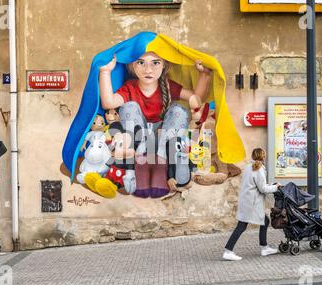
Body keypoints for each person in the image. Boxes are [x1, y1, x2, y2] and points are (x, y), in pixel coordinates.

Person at [99, 52, 212, 198]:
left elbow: (195, 99)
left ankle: (171, 161)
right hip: (141, 141)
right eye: (141, 63)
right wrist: (105, 71)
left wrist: (205, 75)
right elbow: (108, 103)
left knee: (179, 110)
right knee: (128, 107)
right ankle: (141, 161)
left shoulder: (166, 85)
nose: (148, 70)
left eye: (155, 63)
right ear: (132, 66)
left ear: (164, 65)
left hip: (164, 141)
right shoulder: (130, 87)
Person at [223, 148, 281, 261]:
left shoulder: (249, 167)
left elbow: (257, 185)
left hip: (247, 200)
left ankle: (264, 247)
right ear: (263, 156)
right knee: (242, 226)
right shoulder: (258, 169)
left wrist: (271, 185)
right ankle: (228, 251)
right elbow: (263, 188)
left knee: (265, 221)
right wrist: (276, 187)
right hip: (252, 203)